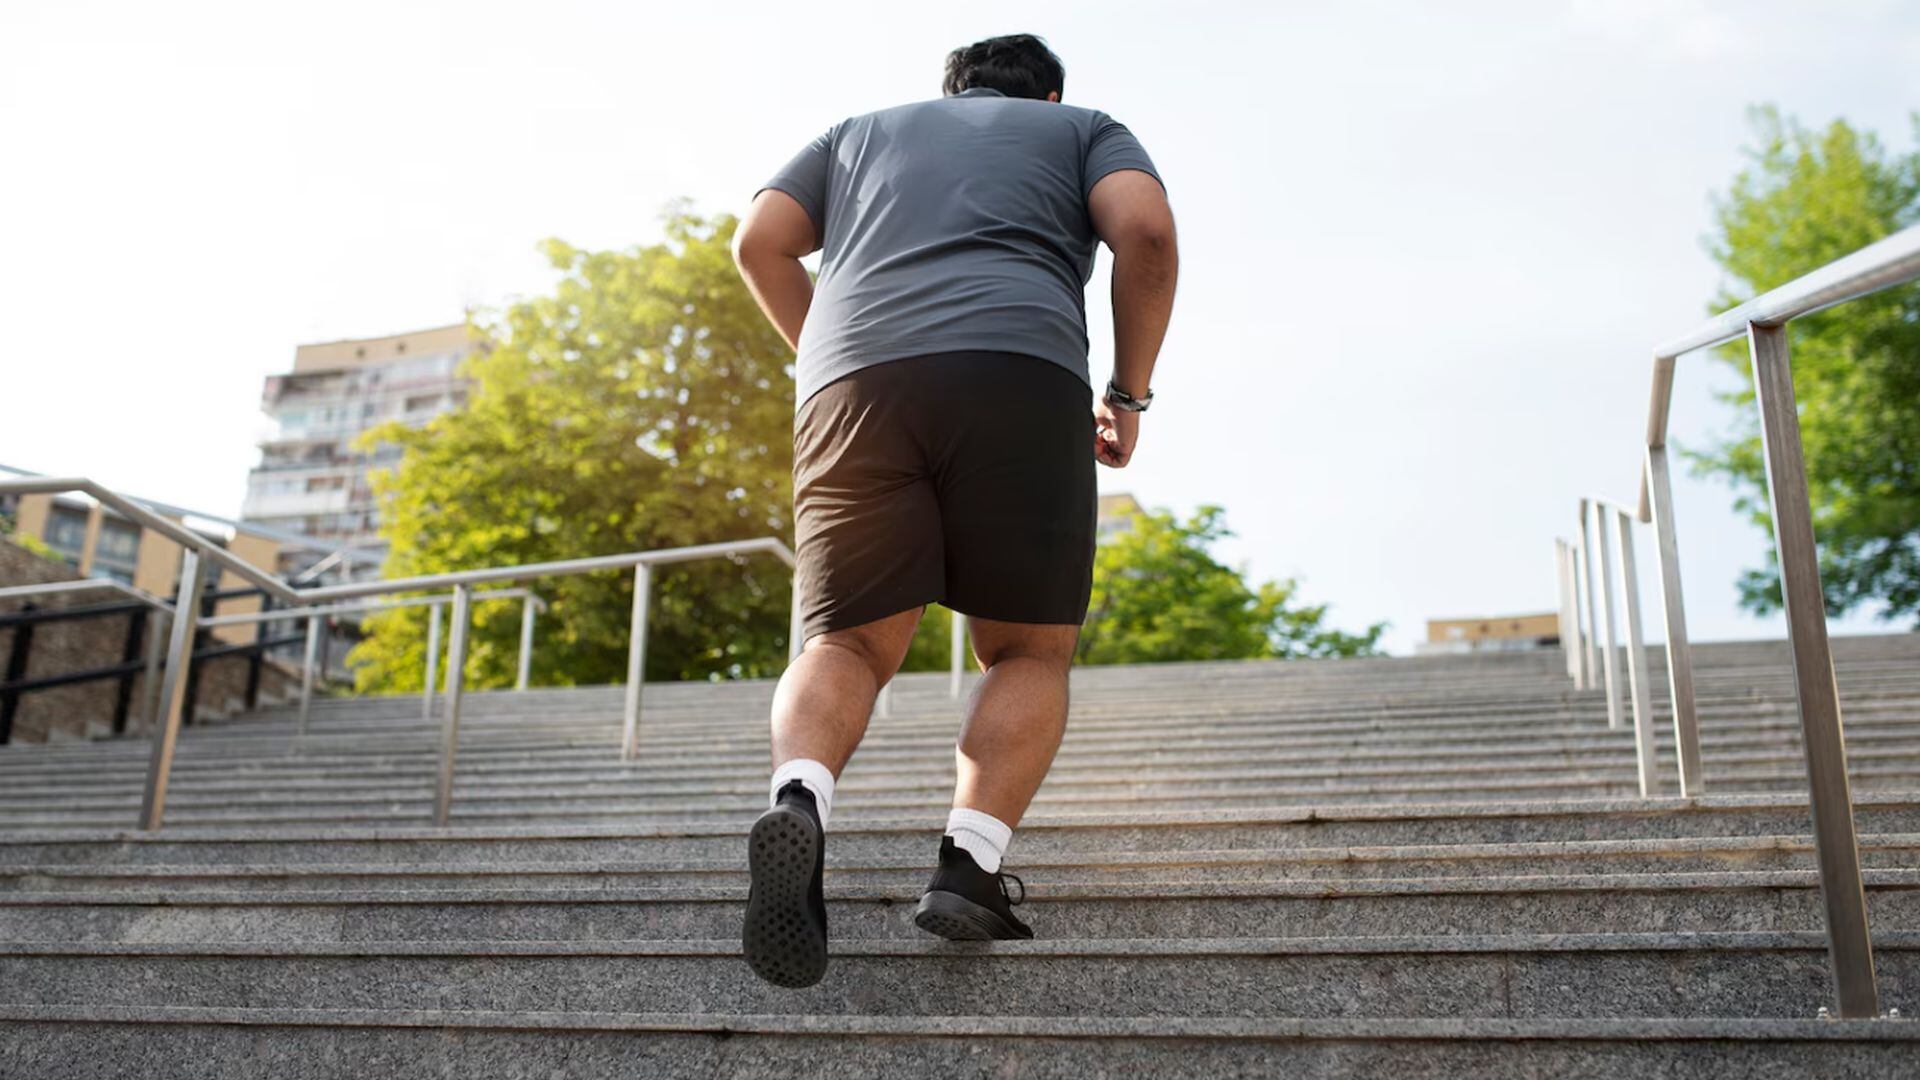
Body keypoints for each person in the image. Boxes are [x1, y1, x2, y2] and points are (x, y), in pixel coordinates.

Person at [731, 32, 1178, 988]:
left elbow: (758, 241)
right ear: (1047, 97)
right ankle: (968, 866)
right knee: (1024, 648)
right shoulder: (1084, 131)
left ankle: (799, 802)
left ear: (950, 91)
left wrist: (830, 352)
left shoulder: (856, 134)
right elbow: (1144, 231)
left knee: (844, 644)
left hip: (854, 388)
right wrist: (1127, 396)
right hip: (1019, 374)